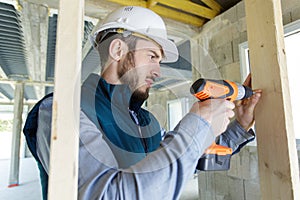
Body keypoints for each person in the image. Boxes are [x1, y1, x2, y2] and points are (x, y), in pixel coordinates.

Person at [23, 6, 262, 200]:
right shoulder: (62, 112)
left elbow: (185, 160)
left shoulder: (145, 120)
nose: (158, 71)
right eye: (152, 57)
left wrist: (239, 126)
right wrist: (198, 122)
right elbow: (106, 195)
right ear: (118, 49)